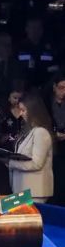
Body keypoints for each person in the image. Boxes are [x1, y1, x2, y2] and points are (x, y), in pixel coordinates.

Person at [6, 92, 54, 203]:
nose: (21, 114)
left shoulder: (41, 132)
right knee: (6, 209)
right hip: (22, 190)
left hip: (34, 192)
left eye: (23, 110)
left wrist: (11, 163)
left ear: (34, 111)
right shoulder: (29, 131)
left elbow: (36, 163)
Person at [47, 73, 65, 204]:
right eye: (61, 88)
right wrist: (53, 135)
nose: (63, 91)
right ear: (54, 87)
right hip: (52, 146)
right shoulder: (46, 103)